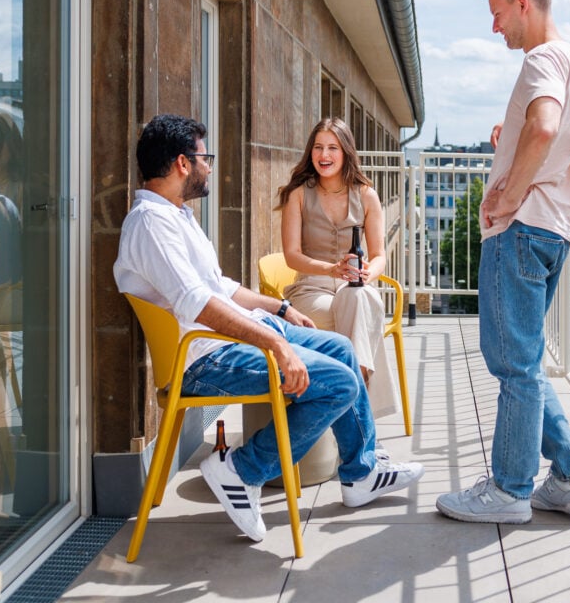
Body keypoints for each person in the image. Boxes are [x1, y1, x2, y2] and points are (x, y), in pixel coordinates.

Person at [114, 114, 423, 543]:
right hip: (206, 357)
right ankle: (242, 469)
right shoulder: (151, 223)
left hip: (231, 337)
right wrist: (275, 342)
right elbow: (198, 304)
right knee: (338, 383)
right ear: (183, 163)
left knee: (340, 350)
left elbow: (219, 287)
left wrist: (280, 308)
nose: (210, 166)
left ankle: (360, 473)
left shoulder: (176, 215)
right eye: (206, 157)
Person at [436, 0, 570, 524]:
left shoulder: (543, 59)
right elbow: (565, 142)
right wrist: (513, 147)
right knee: (524, 360)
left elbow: (548, 128)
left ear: (524, 4)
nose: (495, 28)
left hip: (523, 227)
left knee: (513, 365)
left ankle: (508, 491)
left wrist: (509, 196)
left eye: (498, 14)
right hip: (556, 227)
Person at [276, 118, 399, 420]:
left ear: (345, 152)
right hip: (311, 288)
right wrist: (331, 269)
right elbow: (291, 255)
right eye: (318, 147)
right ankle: (364, 417)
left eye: (332, 147)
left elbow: (379, 254)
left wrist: (368, 274)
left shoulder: (367, 195)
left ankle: (352, 404)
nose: (324, 154)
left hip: (355, 287)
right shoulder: (299, 194)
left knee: (358, 300)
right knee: (360, 316)